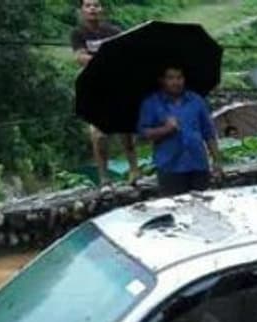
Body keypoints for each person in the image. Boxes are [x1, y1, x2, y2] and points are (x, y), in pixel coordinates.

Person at [70, 0, 140, 185]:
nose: (92, 8)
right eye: (88, 5)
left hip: (117, 86)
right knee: (99, 135)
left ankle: (134, 172)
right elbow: (80, 57)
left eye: (96, 5)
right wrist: (105, 60)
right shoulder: (78, 33)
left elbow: (125, 55)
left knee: (126, 131)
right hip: (94, 89)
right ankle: (104, 178)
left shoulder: (114, 32)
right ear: (82, 10)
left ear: (102, 9)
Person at [137, 65, 223, 196]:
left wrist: (217, 161)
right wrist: (165, 129)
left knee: (202, 209)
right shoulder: (152, 103)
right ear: (162, 80)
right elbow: (143, 134)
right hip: (170, 168)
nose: (176, 82)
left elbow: (208, 132)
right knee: (175, 209)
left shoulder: (196, 100)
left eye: (179, 77)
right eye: (170, 78)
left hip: (198, 165)